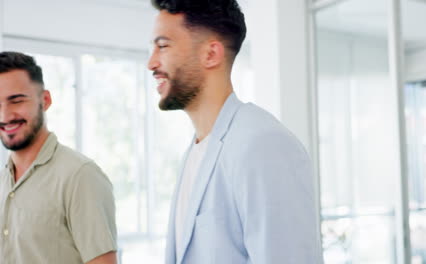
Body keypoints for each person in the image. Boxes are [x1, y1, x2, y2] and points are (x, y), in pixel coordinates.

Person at [147, 0, 322, 263]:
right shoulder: (195, 150)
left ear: (211, 54)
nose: (151, 63)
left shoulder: (263, 145)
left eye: (163, 46)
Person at [0, 51, 118, 264]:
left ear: (45, 100)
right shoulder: (2, 181)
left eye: (16, 101)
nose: (5, 116)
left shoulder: (80, 176)